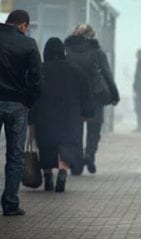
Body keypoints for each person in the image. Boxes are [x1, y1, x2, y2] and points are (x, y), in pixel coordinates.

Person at [32, 38, 94, 192]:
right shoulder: (75, 70)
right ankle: (62, 171)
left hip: (44, 116)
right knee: (67, 145)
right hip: (70, 116)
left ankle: (47, 177)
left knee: (46, 145)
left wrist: (29, 117)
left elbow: (31, 95)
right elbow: (86, 94)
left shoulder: (39, 70)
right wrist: (87, 113)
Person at [0, 10, 41, 216]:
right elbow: (36, 79)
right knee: (15, 156)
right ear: (23, 25)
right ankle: (10, 203)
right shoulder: (28, 44)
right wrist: (29, 102)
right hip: (17, 104)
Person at [65, 24, 120, 174]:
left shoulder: (68, 51)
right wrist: (114, 94)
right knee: (94, 129)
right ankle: (89, 154)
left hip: (74, 97)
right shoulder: (97, 52)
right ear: (92, 35)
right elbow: (107, 74)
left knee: (75, 130)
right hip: (95, 96)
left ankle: (76, 165)